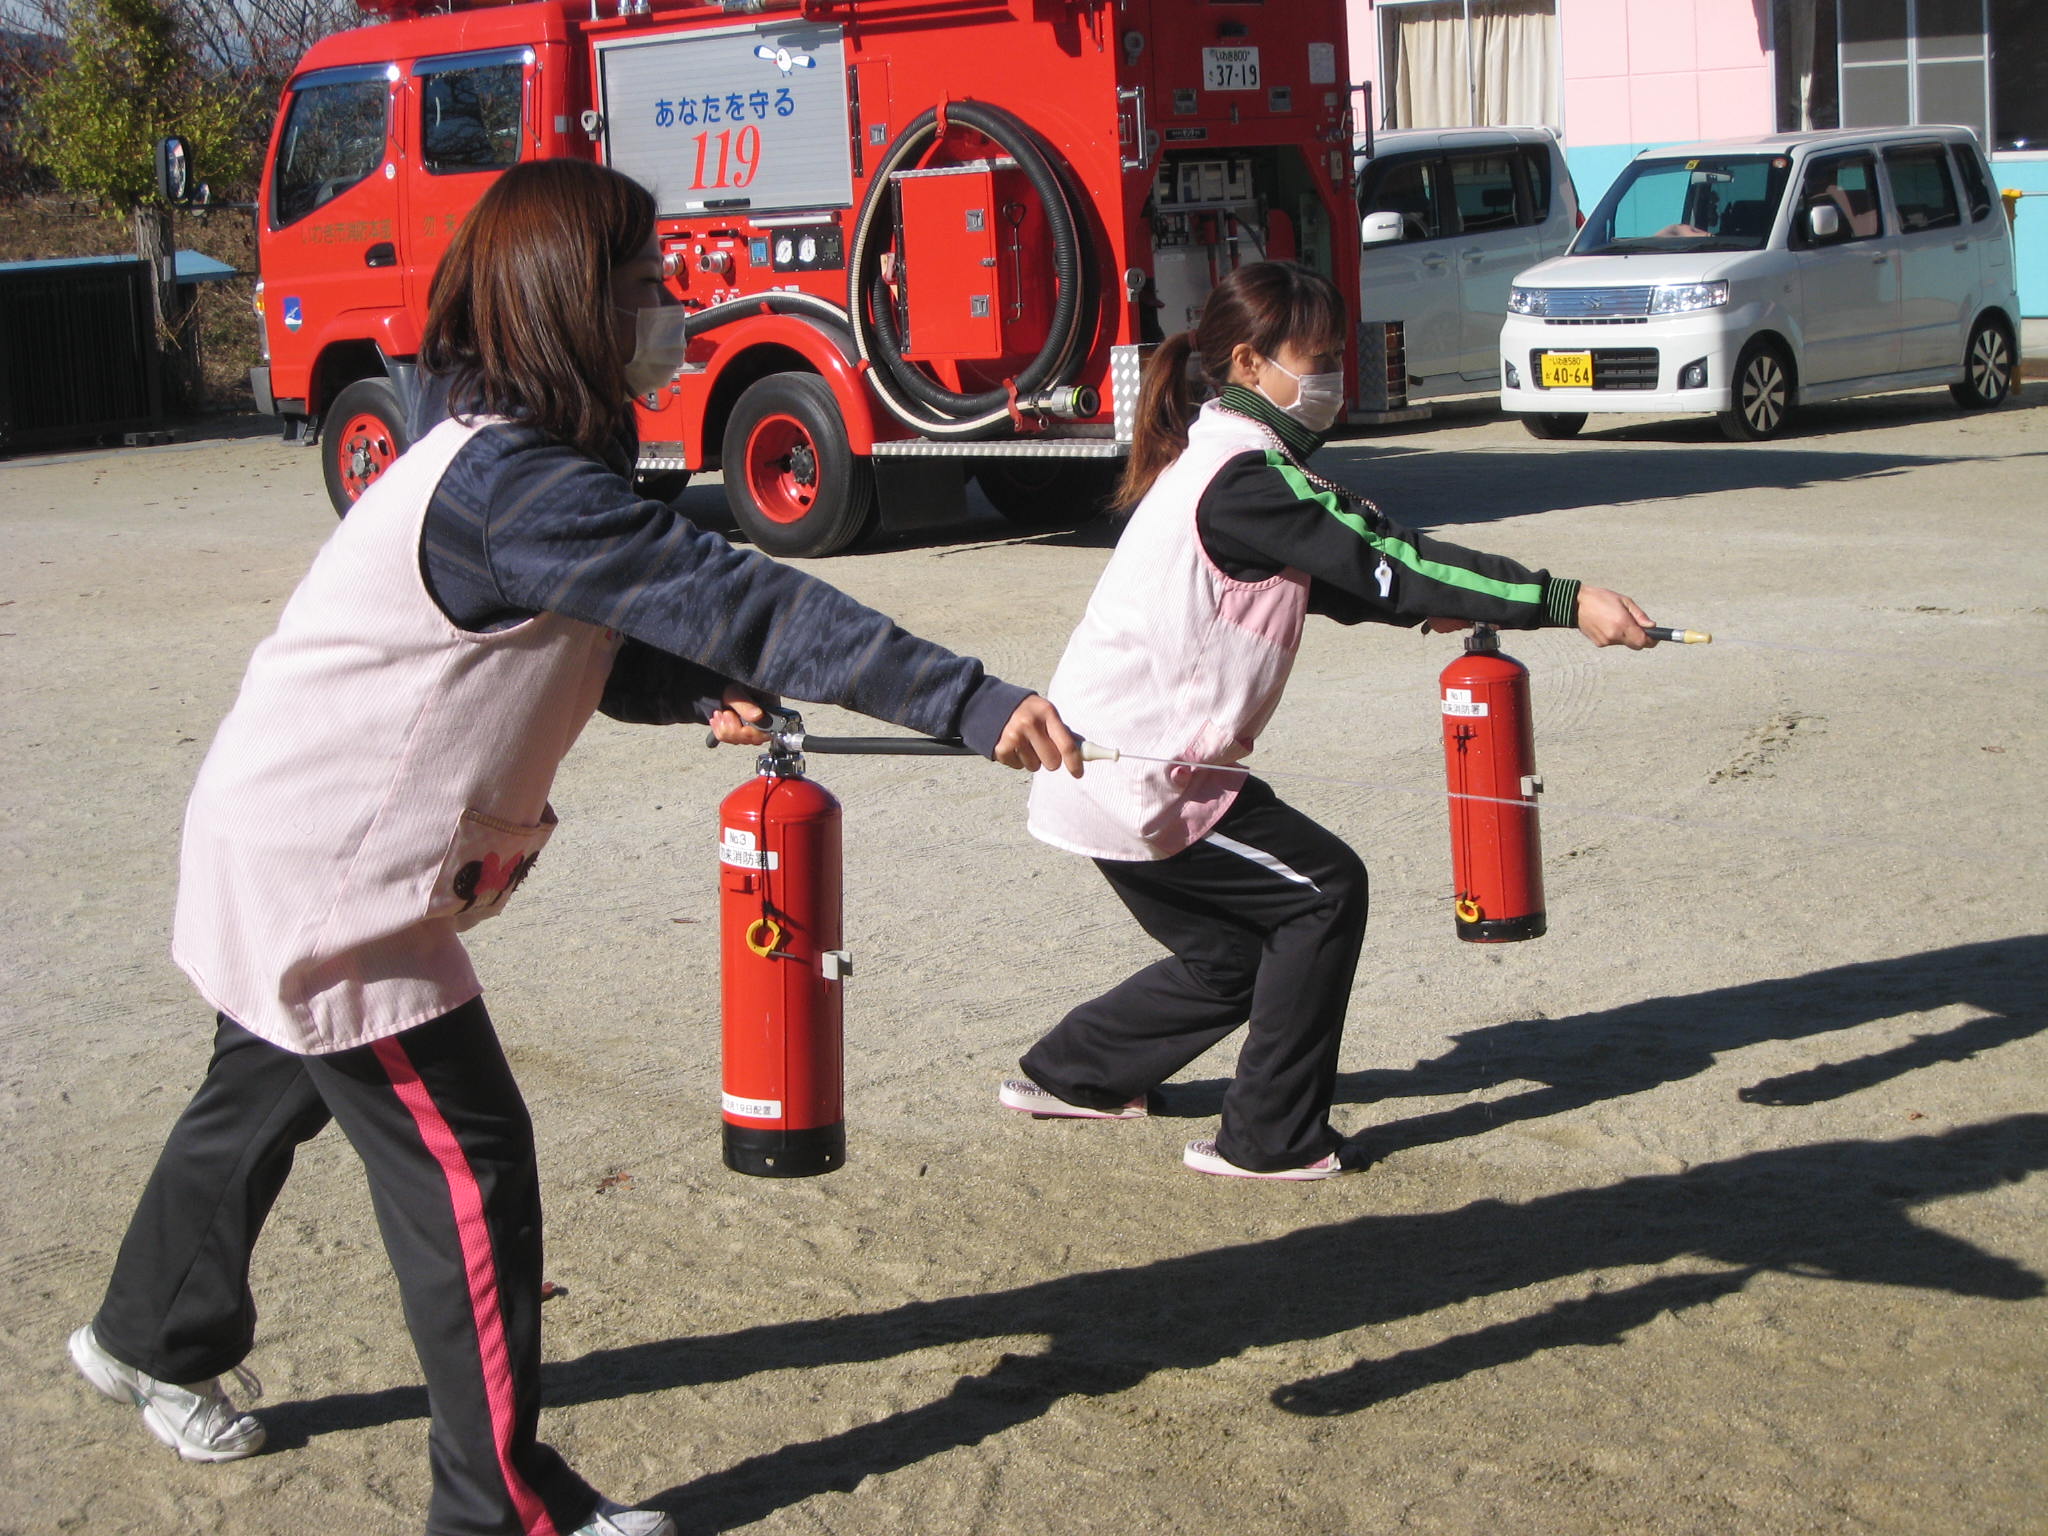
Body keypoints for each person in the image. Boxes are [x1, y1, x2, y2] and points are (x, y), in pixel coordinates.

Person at [66, 158, 1080, 1536]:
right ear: (569, 305)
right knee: (468, 1168)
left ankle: (145, 1336)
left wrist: (672, 688)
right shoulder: (517, 486)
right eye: (645, 284)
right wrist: (964, 698)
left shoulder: (506, 461)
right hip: (329, 877)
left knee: (265, 1089)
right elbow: (747, 600)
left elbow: (560, 629)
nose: (668, 306)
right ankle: (498, 1511)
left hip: (280, 836)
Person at [1001, 260, 1655, 1181]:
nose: (1334, 379)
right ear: (1250, 363)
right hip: (1144, 773)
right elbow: (1384, 553)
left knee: (1233, 953)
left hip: (1103, 770)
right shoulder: (1246, 477)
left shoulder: (1224, 465)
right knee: (1321, 892)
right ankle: (1269, 1136)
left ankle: (1074, 1074)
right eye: (1319, 358)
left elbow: (1325, 574)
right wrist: (1562, 598)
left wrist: (1403, 602)